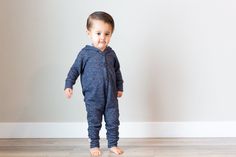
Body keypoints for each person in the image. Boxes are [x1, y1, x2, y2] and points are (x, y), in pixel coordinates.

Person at [64, 11, 124, 156]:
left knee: (113, 121)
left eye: (107, 34)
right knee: (94, 122)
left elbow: (117, 71)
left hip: (110, 97)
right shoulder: (85, 54)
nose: (102, 38)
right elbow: (74, 70)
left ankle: (113, 144)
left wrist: (120, 87)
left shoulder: (111, 54)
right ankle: (94, 145)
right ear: (89, 33)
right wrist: (68, 85)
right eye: (98, 33)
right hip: (93, 97)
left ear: (111, 34)